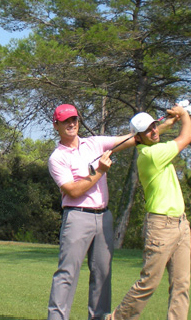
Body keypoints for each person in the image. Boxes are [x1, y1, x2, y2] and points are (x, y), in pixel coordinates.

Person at [47, 104, 136, 320]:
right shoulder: (57, 158)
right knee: (67, 273)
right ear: (56, 125)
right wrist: (100, 172)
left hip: (103, 216)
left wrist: (165, 123)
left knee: (102, 274)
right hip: (77, 216)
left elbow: (134, 138)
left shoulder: (94, 143)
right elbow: (73, 190)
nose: (71, 124)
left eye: (74, 119)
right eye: (66, 121)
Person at [107, 104, 191, 320]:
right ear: (138, 137)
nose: (154, 131)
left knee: (181, 285)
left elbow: (163, 131)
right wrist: (183, 115)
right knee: (148, 283)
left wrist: (174, 120)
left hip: (181, 224)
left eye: (154, 126)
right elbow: (187, 137)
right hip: (161, 227)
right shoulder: (151, 155)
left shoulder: (152, 143)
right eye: (148, 130)